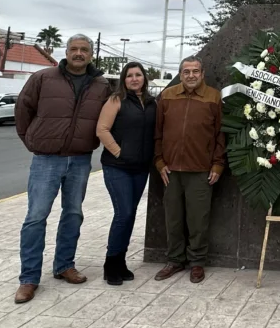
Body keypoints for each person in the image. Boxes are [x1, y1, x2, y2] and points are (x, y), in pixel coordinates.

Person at [13, 34, 111, 304]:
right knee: (36, 217)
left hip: (80, 159)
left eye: (84, 49)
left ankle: (64, 265)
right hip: (46, 159)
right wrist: (31, 140)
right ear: (65, 52)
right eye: (74, 49)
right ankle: (29, 278)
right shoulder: (43, 78)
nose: (79, 53)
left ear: (91, 54)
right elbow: (23, 110)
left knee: (73, 214)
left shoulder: (100, 84)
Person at [152, 56, 226, 284]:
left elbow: (221, 135)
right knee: (172, 219)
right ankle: (174, 260)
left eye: (195, 71)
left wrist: (217, 164)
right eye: (186, 72)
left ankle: (197, 262)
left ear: (202, 74)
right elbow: (158, 133)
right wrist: (159, 162)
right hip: (171, 171)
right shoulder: (167, 95)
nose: (191, 76)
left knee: (198, 221)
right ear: (180, 74)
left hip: (201, 171)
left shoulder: (214, 97)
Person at [96, 61, 157, 286]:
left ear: (144, 78)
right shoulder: (115, 100)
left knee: (130, 213)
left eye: (138, 75)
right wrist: (119, 153)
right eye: (129, 75)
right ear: (124, 79)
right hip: (117, 167)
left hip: (140, 168)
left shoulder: (151, 103)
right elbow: (101, 129)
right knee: (123, 213)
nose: (134, 79)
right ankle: (110, 264)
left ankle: (120, 261)